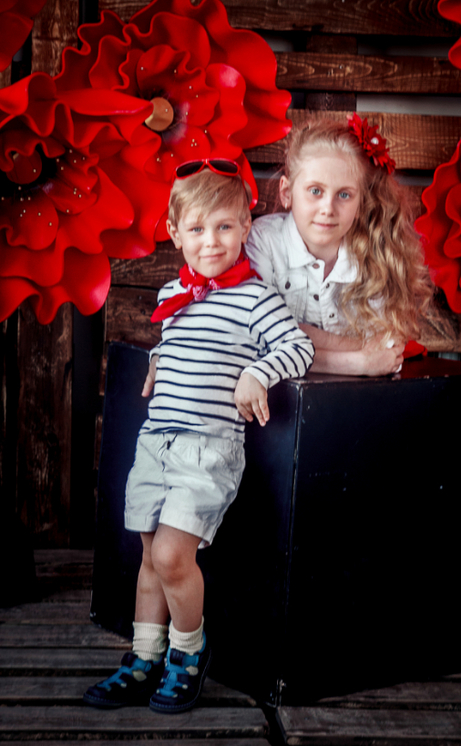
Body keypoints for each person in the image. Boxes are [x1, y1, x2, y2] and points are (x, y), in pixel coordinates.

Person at [83, 159, 314, 714]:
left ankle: (188, 651)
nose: (211, 241)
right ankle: (144, 657)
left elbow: (298, 347)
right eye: (197, 228)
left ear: (245, 225)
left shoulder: (255, 297)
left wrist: (257, 372)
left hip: (208, 447)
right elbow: (186, 345)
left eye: (225, 227)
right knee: (149, 555)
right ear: (175, 232)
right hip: (155, 442)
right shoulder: (174, 293)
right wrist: (159, 357)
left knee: (172, 554)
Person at [245, 115, 433, 376]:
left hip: (353, 396)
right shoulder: (265, 241)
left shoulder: (374, 251)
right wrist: (357, 362)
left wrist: (299, 336)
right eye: (315, 191)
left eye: (344, 195)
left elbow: (388, 349)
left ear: (361, 203)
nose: (328, 209)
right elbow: (259, 338)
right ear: (287, 193)